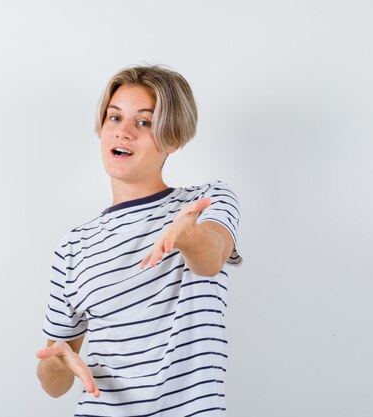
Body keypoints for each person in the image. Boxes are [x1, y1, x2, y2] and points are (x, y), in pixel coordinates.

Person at [36, 64, 243, 417]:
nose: (124, 132)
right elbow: (53, 384)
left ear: (173, 138)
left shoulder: (204, 203)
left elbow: (211, 259)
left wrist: (188, 237)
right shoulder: (73, 247)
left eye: (144, 122)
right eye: (114, 118)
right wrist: (56, 362)